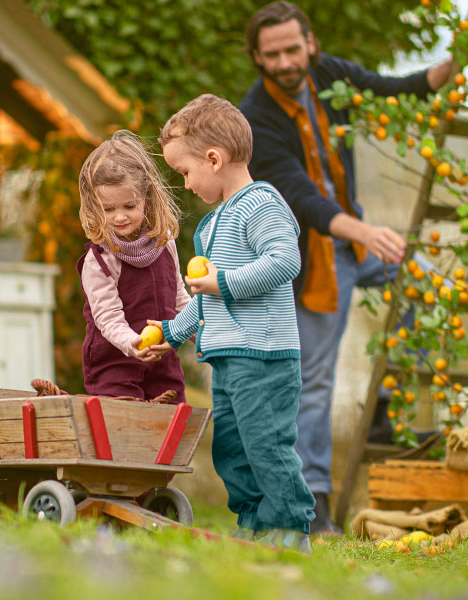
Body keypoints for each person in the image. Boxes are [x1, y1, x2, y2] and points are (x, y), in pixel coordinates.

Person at [239, 1, 455, 534]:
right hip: (312, 257)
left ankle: (387, 401)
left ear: (310, 43)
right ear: (257, 58)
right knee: (313, 383)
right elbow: (303, 199)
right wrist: (365, 231)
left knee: (424, 283)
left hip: (355, 242)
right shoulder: (256, 120)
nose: (287, 62)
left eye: (293, 49)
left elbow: (397, 89)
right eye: (274, 55)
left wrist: (460, 60)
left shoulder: (328, 75)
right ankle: (313, 505)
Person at [155, 94, 315, 552]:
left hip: (264, 354)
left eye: (185, 172)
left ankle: (289, 525)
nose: (184, 185)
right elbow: (207, 303)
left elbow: (284, 261)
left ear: (213, 158)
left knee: (266, 444)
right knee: (233, 448)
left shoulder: (261, 203)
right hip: (228, 360)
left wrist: (223, 282)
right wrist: (171, 333)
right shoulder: (212, 225)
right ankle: (255, 524)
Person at [73, 130, 190, 403]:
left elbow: (178, 298)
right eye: (108, 209)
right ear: (94, 207)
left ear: (146, 198)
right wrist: (132, 343)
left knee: (172, 424)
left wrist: (197, 331)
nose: (120, 216)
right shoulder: (100, 259)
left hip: (163, 356)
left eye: (129, 205)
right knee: (125, 430)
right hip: (115, 364)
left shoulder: (164, 243)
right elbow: (107, 318)